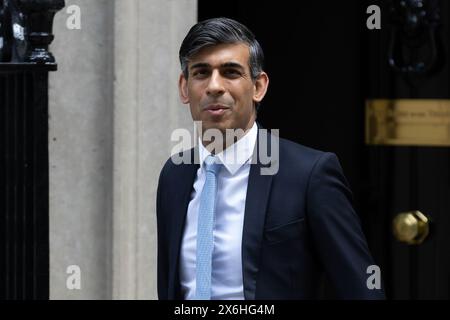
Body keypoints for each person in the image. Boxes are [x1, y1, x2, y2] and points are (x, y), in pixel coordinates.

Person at [156, 17, 384, 300]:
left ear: (258, 86)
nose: (214, 86)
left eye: (230, 72)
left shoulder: (309, 174)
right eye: (201, 73)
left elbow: (362, 290)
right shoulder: (174, 175)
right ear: (184, 87)